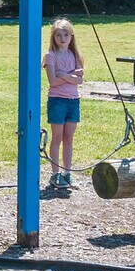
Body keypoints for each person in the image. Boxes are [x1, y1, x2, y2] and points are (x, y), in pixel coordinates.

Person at [42, 17, 85, 187]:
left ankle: (68, 172)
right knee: (57, 137)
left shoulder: (75, 55)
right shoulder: (50, 55)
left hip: (73, 100)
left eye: (65, 35)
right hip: (57, 100)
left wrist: (64, 75)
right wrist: (71, 76)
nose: (62, 38)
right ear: (53, 37)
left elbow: (80, 80)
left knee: (69, 138)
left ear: (71, 36)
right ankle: (55, 173)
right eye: (58, 35)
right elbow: (52, 81)